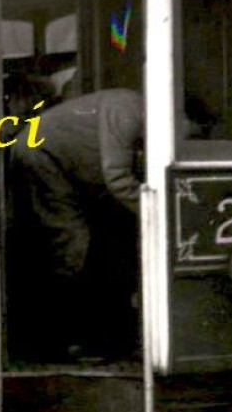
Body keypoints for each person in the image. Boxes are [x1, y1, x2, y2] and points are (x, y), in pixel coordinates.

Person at [8, 87, 145, 360]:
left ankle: (77, 338)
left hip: (60, 164)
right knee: (71, 243)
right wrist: (159, 213)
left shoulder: (133, 110)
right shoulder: (128, 110)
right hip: (42, 156)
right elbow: (117, 178)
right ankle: (56, 343)